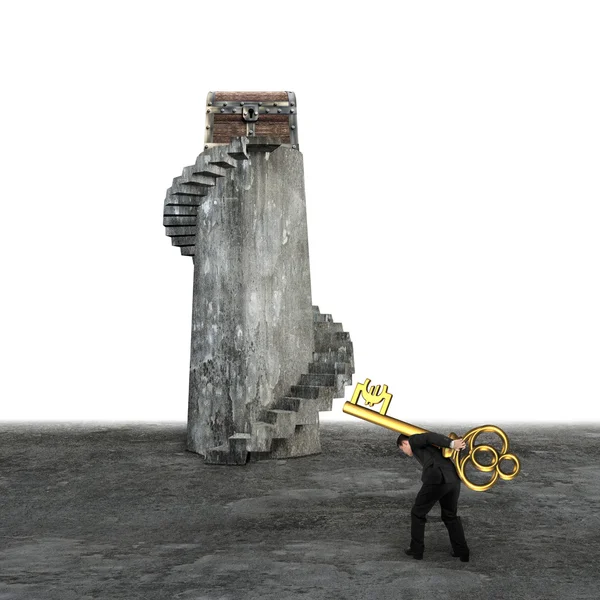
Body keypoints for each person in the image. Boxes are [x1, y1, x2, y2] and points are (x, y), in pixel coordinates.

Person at [397, 431, 470, 562]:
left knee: (417, 513)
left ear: (405, 442)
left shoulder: (413, 440)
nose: (405, 453)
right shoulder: (429, 448)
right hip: (453, 479)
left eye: (403, 449)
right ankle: (462, 552)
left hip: (437, 479)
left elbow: (428, 436)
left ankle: (416, 550)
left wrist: (452, 443)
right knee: (450, 516)